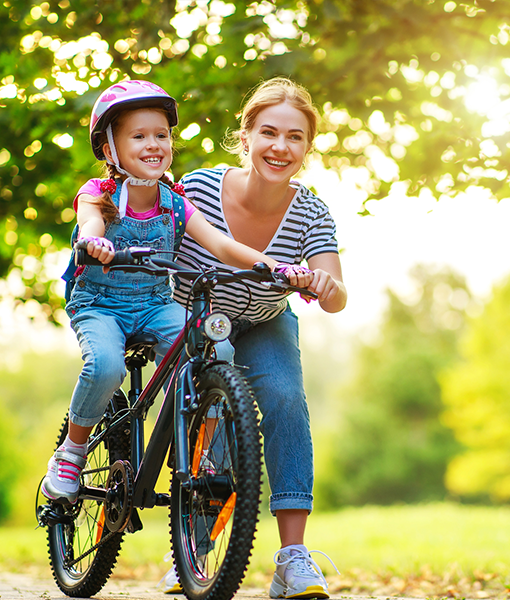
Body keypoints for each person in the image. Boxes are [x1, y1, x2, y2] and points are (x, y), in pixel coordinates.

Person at [41, 79, 310, 505]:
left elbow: (221, 244)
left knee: (214, 351)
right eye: (139, 136)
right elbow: (90, 223)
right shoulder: (98, 195)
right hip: (101, 306)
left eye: (161, 135)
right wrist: (95, 243)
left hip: (153, 304)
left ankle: (192, 438)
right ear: (110, 149)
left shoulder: (175, 201)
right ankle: (72, 450)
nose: (154, 144)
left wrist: (275, 266)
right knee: (106, 367)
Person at [168, 77, 348, 599]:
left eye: (295, 138)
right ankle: (192, 551)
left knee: (286, 399)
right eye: (268, 133)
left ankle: (293, 558)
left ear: (306, 149)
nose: (280, 147)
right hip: (194, 316)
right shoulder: (199, 187)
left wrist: (324, 283)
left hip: (265, 320)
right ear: (245, 137)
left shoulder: (310, 211)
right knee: (215, 414)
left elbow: (336, 294)